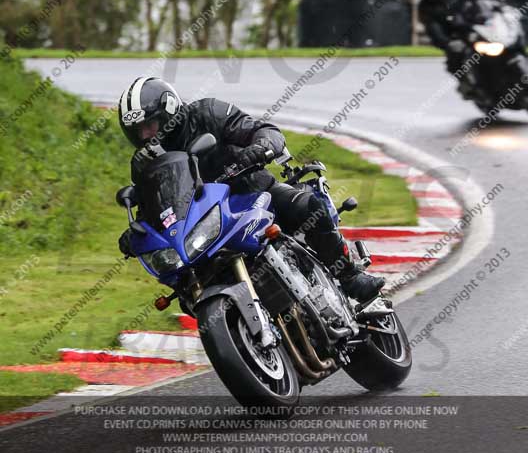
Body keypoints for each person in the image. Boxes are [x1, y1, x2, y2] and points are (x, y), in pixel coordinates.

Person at [117, 76, 385, 303]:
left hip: (255, 193)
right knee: (184, 283)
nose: (145, 136)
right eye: (137, 131)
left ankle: (350, 276)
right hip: (204, 225)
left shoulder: (207, 112)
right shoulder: (144, 162)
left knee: (307, 207)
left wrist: (260, 148)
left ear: (169, 111)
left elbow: (261, 129)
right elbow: (155, 209)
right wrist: (137, 234)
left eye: (149, 126)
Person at [416, 0, 503, 76]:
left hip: (482, 27)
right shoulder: (425, 6)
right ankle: (473, 87)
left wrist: (494, 2)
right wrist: (447, 43)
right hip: (460, 40)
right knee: (456, 64)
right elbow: (433, 30)